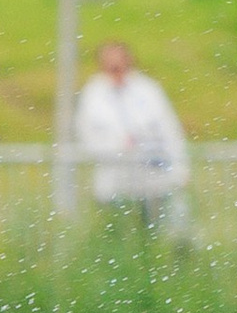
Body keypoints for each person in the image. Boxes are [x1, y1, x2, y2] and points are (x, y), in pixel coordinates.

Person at [73, 37, 192, 232]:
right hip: (114, 182)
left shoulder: (148, 90)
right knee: (115, 233)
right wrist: (118, 145)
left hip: (152, 180)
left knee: (152, 232)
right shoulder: (93, 94)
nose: (116, 67)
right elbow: (87, 137)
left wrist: (180, 168)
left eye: (119, 62)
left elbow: (169, 131)